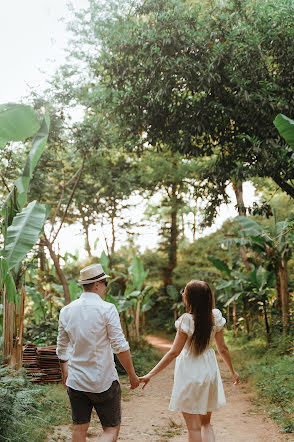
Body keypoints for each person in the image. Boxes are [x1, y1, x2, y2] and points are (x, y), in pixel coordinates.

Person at [139, 280, 239, 442]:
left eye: (184, 292)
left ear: (190, 298)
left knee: (193, 427)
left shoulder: (187, 320)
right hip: (209, 372)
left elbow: (173, 353)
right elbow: (223, 349)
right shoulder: (215, 317)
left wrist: (150, 374)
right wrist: (233, 372)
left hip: (189, 372)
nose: (183, 294)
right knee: (206, 424)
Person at [56, 263, 139, 442]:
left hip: (76, 381)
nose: (105, 289)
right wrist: (132, 375)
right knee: (110, 430)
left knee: (79, 429)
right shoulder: (107, 309)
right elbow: (120, 347)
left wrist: (65, 370)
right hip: (103, 381)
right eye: (105, 284)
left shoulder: (66, 311)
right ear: (96, 284)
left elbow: (62, 347)